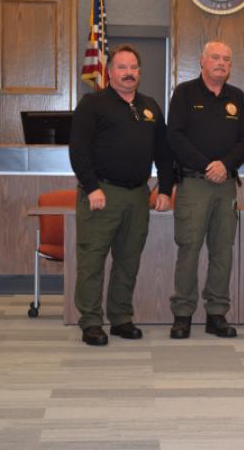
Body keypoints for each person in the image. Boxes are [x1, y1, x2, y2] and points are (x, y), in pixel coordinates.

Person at [69, 44, 174, 346]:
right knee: (92, 259)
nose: (128, 73)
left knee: (128, 260)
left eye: (133, 68)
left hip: (137, 196)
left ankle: (120, 318)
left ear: (139, 73)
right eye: (122, 67)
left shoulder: (150, 106)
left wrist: (165, 189)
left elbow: (164, 154)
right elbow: (78, 150)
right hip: (102, 193)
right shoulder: (93, 103)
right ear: (110, 71)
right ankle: (90, 321)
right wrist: (91, 188)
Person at [166, 41, 244, 339]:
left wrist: (224, 165)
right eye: (215, 57)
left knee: (222, 251)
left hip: (226, 186)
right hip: (194, 184)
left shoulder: (237, 97)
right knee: (189, 250)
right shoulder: (185, 93)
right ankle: (183, 315)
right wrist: (206, 166)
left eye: (226, 59)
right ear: (202, 60)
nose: (221, 63)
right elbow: (174, 136)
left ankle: (217, 314)